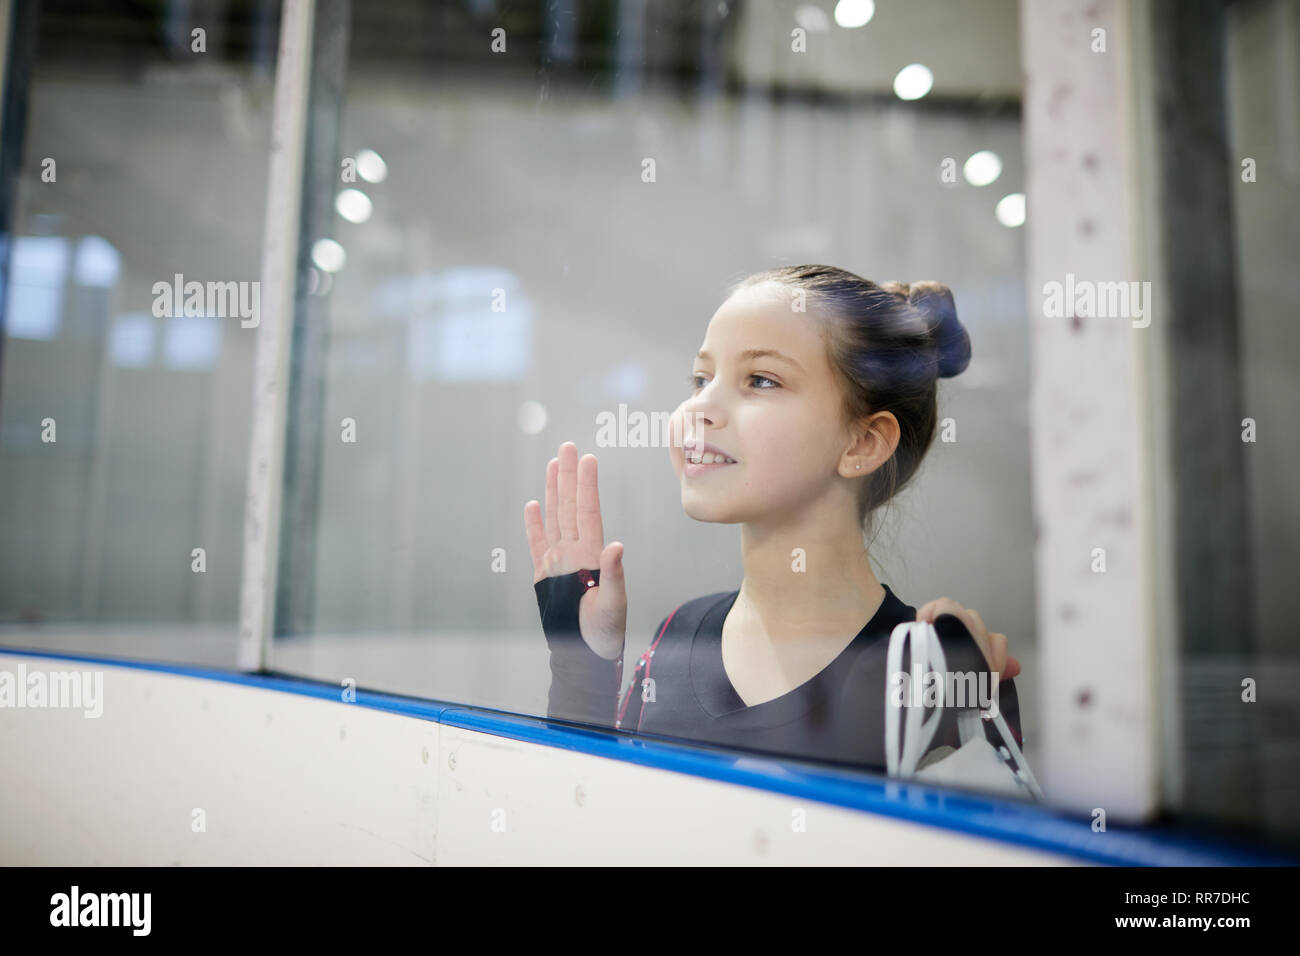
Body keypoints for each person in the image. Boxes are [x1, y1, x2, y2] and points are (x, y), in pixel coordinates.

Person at [524, 264, 1024, 775]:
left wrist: (963, 710)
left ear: (863, 443)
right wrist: (583, 666)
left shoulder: (935, 673)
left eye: (761, 380)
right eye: (701, 378)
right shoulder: (676, 635)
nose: (700, 407)